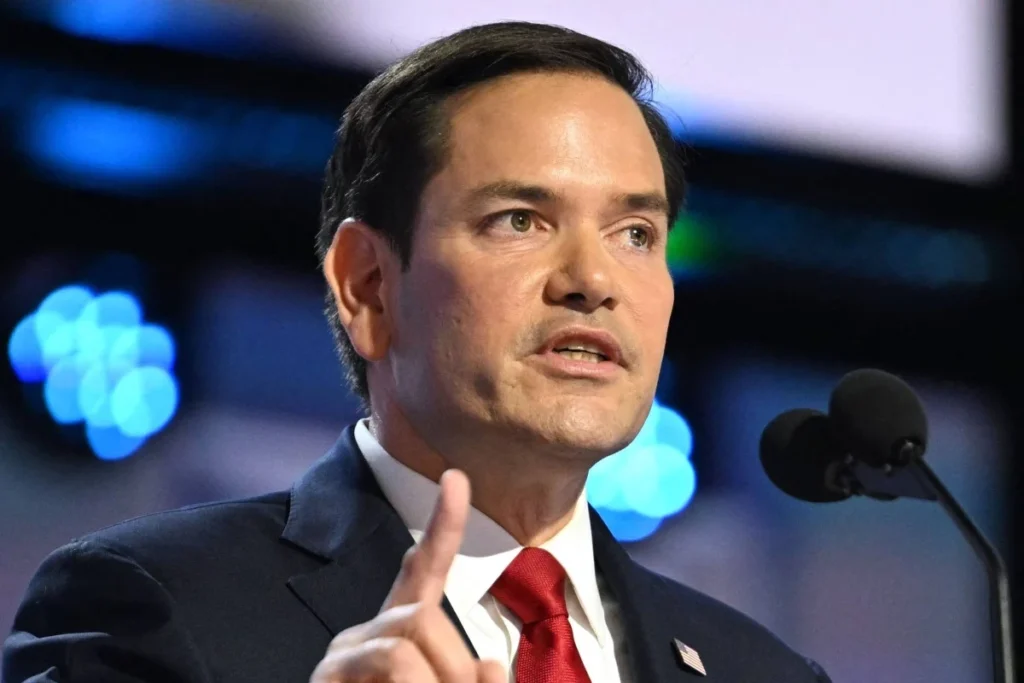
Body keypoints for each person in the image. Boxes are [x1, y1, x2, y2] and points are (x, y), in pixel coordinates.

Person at [3, 21, 831, 683]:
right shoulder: (151, 604)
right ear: (367, 284)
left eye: (635, 233)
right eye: (520, 220)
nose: (594, 279)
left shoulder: (763, 671)